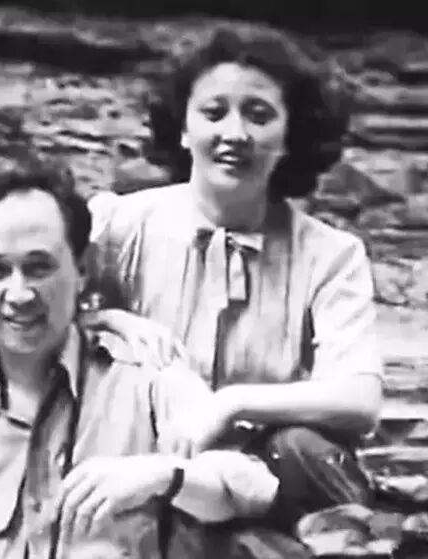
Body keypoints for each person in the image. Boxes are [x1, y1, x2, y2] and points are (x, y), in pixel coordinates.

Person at [0, 156, 280, 559]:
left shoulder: (151, 384)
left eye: (39, 267)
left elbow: (250, 489)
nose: (19, 294)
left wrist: (166, 476)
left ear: (81, 270)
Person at [85, 24, 384, 532]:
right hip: (133, 483)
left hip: (266, 497)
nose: (235, 133)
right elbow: (14, 329)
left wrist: (231, 403)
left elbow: (360, 400)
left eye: (259, 115)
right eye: (213, 112)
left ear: (290, 135)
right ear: (183, 128)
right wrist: (110, 320)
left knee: (304, 451)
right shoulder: (118, 226)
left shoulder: (330, 256)